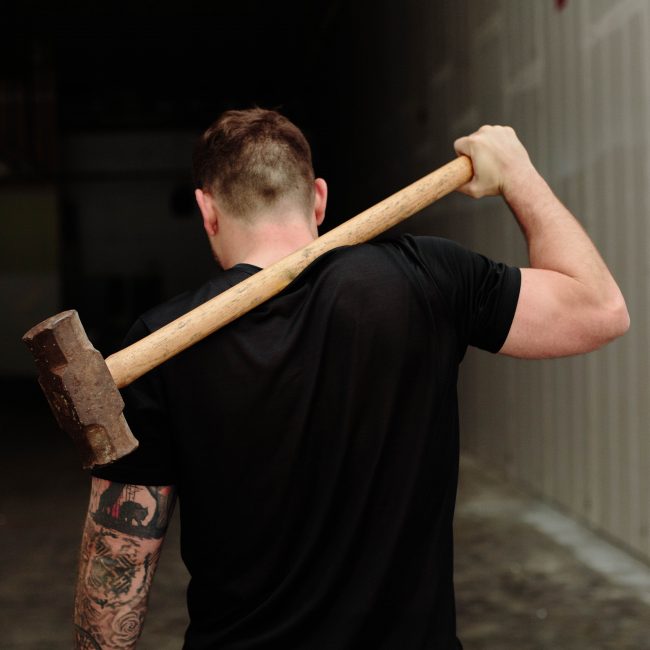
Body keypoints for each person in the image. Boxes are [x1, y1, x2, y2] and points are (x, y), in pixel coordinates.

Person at [73, 109, 629, 650]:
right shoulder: (425, 279)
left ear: (207, 210)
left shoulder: (154, 347)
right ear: (318, 198)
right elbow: (600, 311)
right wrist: (518, 174)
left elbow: (117, 574)